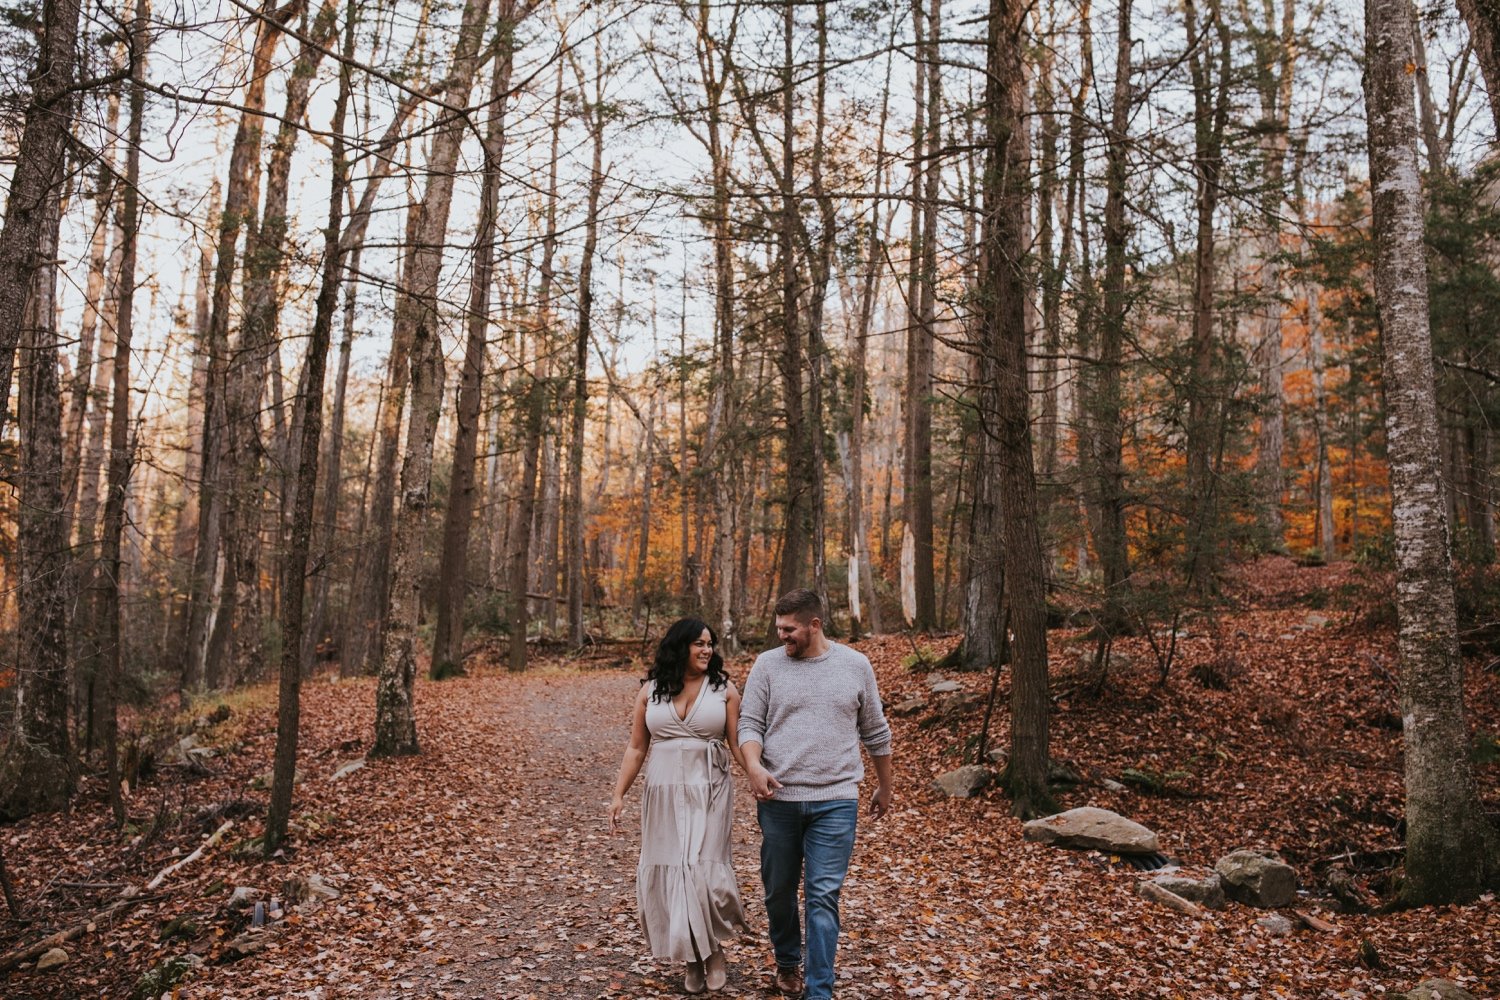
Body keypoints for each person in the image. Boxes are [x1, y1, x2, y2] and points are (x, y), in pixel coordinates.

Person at [739, 589, 894, 1000]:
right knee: (779, 892)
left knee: (823, 896)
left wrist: (885, 784)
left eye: (789, 630)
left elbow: (875, 730)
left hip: (836, 800)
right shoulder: (767, 666)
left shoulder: (855, 665)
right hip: (779, 801)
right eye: (778, 629)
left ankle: (819, 990)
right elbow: (749, 725)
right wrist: (754, 766)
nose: (782, 637)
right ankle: (788, 962)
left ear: (815, 624)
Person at [609, 618, 749, 994]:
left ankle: (713, 952)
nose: (707, 650)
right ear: (679, 646)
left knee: (703, 870)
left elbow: (737, 745)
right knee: (674, 869)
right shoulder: (650, 691)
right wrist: (619, 794)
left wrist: (756, 773)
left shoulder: (724, 690)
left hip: (711, 789)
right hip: (663, 790)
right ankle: (692, 957)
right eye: (699, 644)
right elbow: (637, 747)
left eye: (710, 644)